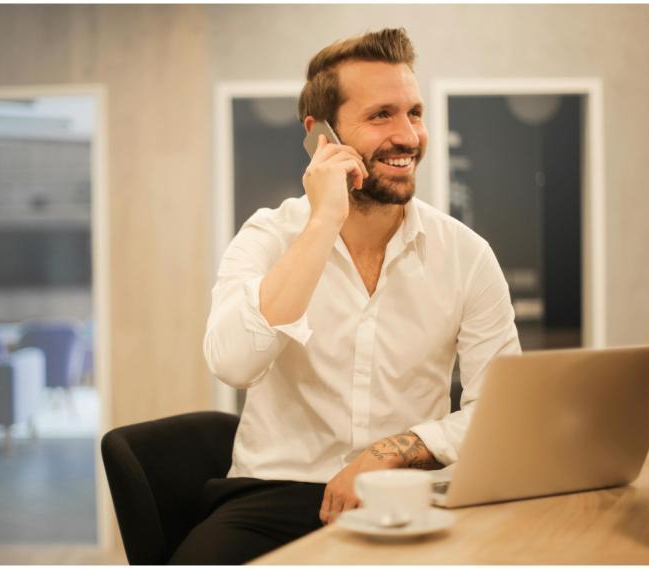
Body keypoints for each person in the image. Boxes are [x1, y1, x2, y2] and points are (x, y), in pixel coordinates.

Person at [170, 28, 520, 565]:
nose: (409, 136)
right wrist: (323, 221)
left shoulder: (466, 255)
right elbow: (233, 363)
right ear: (321, 135)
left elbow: (499, 411)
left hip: (409, 494)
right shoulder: (268, 236)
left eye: (415, 113)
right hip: (273, 494)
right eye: (382, 115)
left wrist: (388, 453)